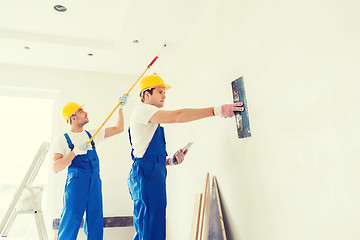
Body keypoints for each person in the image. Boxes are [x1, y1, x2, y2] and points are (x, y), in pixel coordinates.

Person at [127, 74, 244, 240]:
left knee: (154, 224)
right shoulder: (143, 111)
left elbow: (144, 153)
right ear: (147, 94)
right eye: (160, 91)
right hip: (145, 175)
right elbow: (178, 116)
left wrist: (170, 161)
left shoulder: (151, 119)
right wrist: (217, 110)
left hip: (152, 173)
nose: (164, 95)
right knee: (149, 226)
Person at [53, 95, 127, 240]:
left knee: (95, 221)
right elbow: (55, 167)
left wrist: (120, 108)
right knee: (70, 221)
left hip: (94, 183)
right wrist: (74, 153)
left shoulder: (92, 134)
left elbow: (119, 128)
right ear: (72, 117)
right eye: (81, 111)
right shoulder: (63, 139)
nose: (86, 113)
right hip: (76, 185)